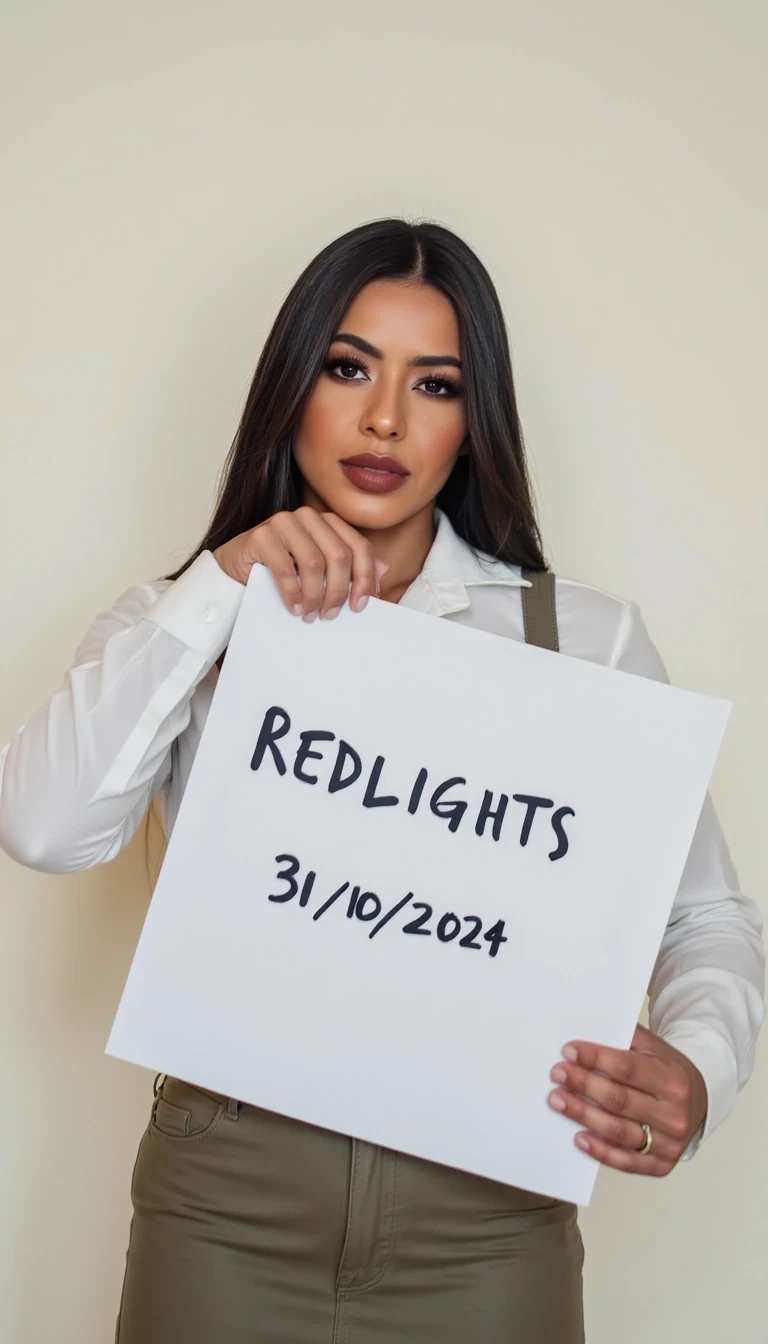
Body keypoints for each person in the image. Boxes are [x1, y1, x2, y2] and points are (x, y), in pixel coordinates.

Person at [0, 217, 764, 1344]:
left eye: (435, 384)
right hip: (227, 1202)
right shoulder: (178, 620)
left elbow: (703, 913)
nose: (384, 420)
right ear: (291, 388)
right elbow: (47, 829)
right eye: (348, 367)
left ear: (474, 420)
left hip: (489, 1220)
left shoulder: (584, 642)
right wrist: (220, 588)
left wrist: (697, 1068)